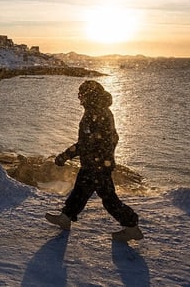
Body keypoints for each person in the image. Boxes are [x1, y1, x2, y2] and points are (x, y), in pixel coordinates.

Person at [45, 80, 143, 241]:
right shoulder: (102, 111)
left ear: (90, 95)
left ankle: (131, 227)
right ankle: (65, 218)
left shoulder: (94, 114)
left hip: (95, 166)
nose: (79, 99)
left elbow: (85, 143)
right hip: (97, 163)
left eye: (82, 95)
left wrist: (65, 156)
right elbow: (113, 138)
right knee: (80, 192)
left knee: (109, 199)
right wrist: (105, 156)